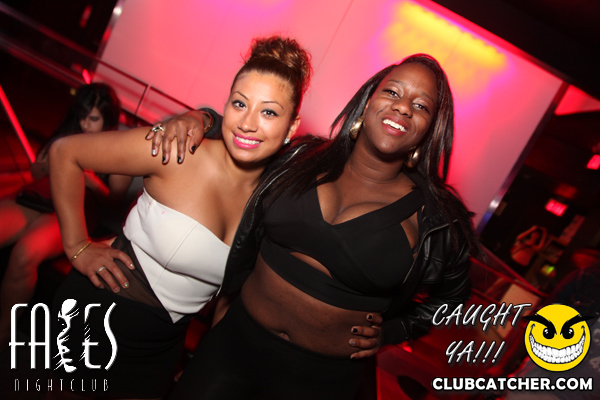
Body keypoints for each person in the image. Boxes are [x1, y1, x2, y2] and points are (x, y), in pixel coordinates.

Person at [157, 53, 479, 399]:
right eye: (392, 92)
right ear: (368, 101)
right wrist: (201, 118)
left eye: (421, 106)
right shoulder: (302, 158)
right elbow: (249, 134)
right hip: (232, 347)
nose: (402, 107)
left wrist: (395, 330)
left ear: (430, 130)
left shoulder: (436, 219)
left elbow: (453, 297)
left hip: (322, 382)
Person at [48, 36, 327, 399]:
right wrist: (77, 246)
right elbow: (66, 153)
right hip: (99, 314)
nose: (247, 123)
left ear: (291, 126)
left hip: (163, 349)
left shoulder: (272, 205)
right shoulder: (180, 150)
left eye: (269, 112)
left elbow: (231, 297)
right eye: (239, 104)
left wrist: (208, 362)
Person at [0, 83, 129, 349]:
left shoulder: (119, 149)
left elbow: (114, 203)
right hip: (38, 198)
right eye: (82, 116)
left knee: (25, 254)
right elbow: (36, 173)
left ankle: (2, 333)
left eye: (93, 118)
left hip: (73, 212)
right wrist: (49, 163)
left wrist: (92, 181)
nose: (85, 124)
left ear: (108, 119)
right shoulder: (69, 134)